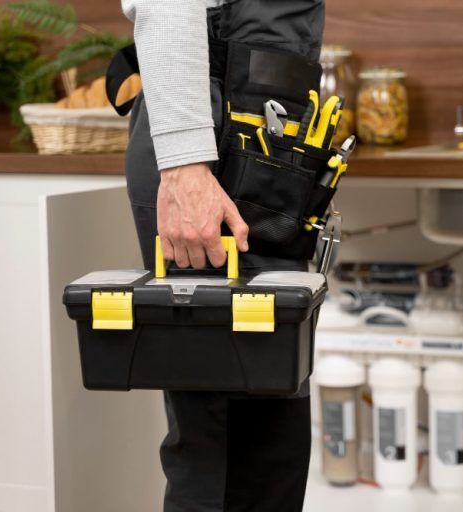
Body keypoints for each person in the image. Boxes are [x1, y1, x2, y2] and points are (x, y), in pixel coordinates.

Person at [120, 1, 325, 511]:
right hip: (219, 151)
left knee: (268, 440)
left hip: (256, 137)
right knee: (230, 451)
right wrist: (185, 167)